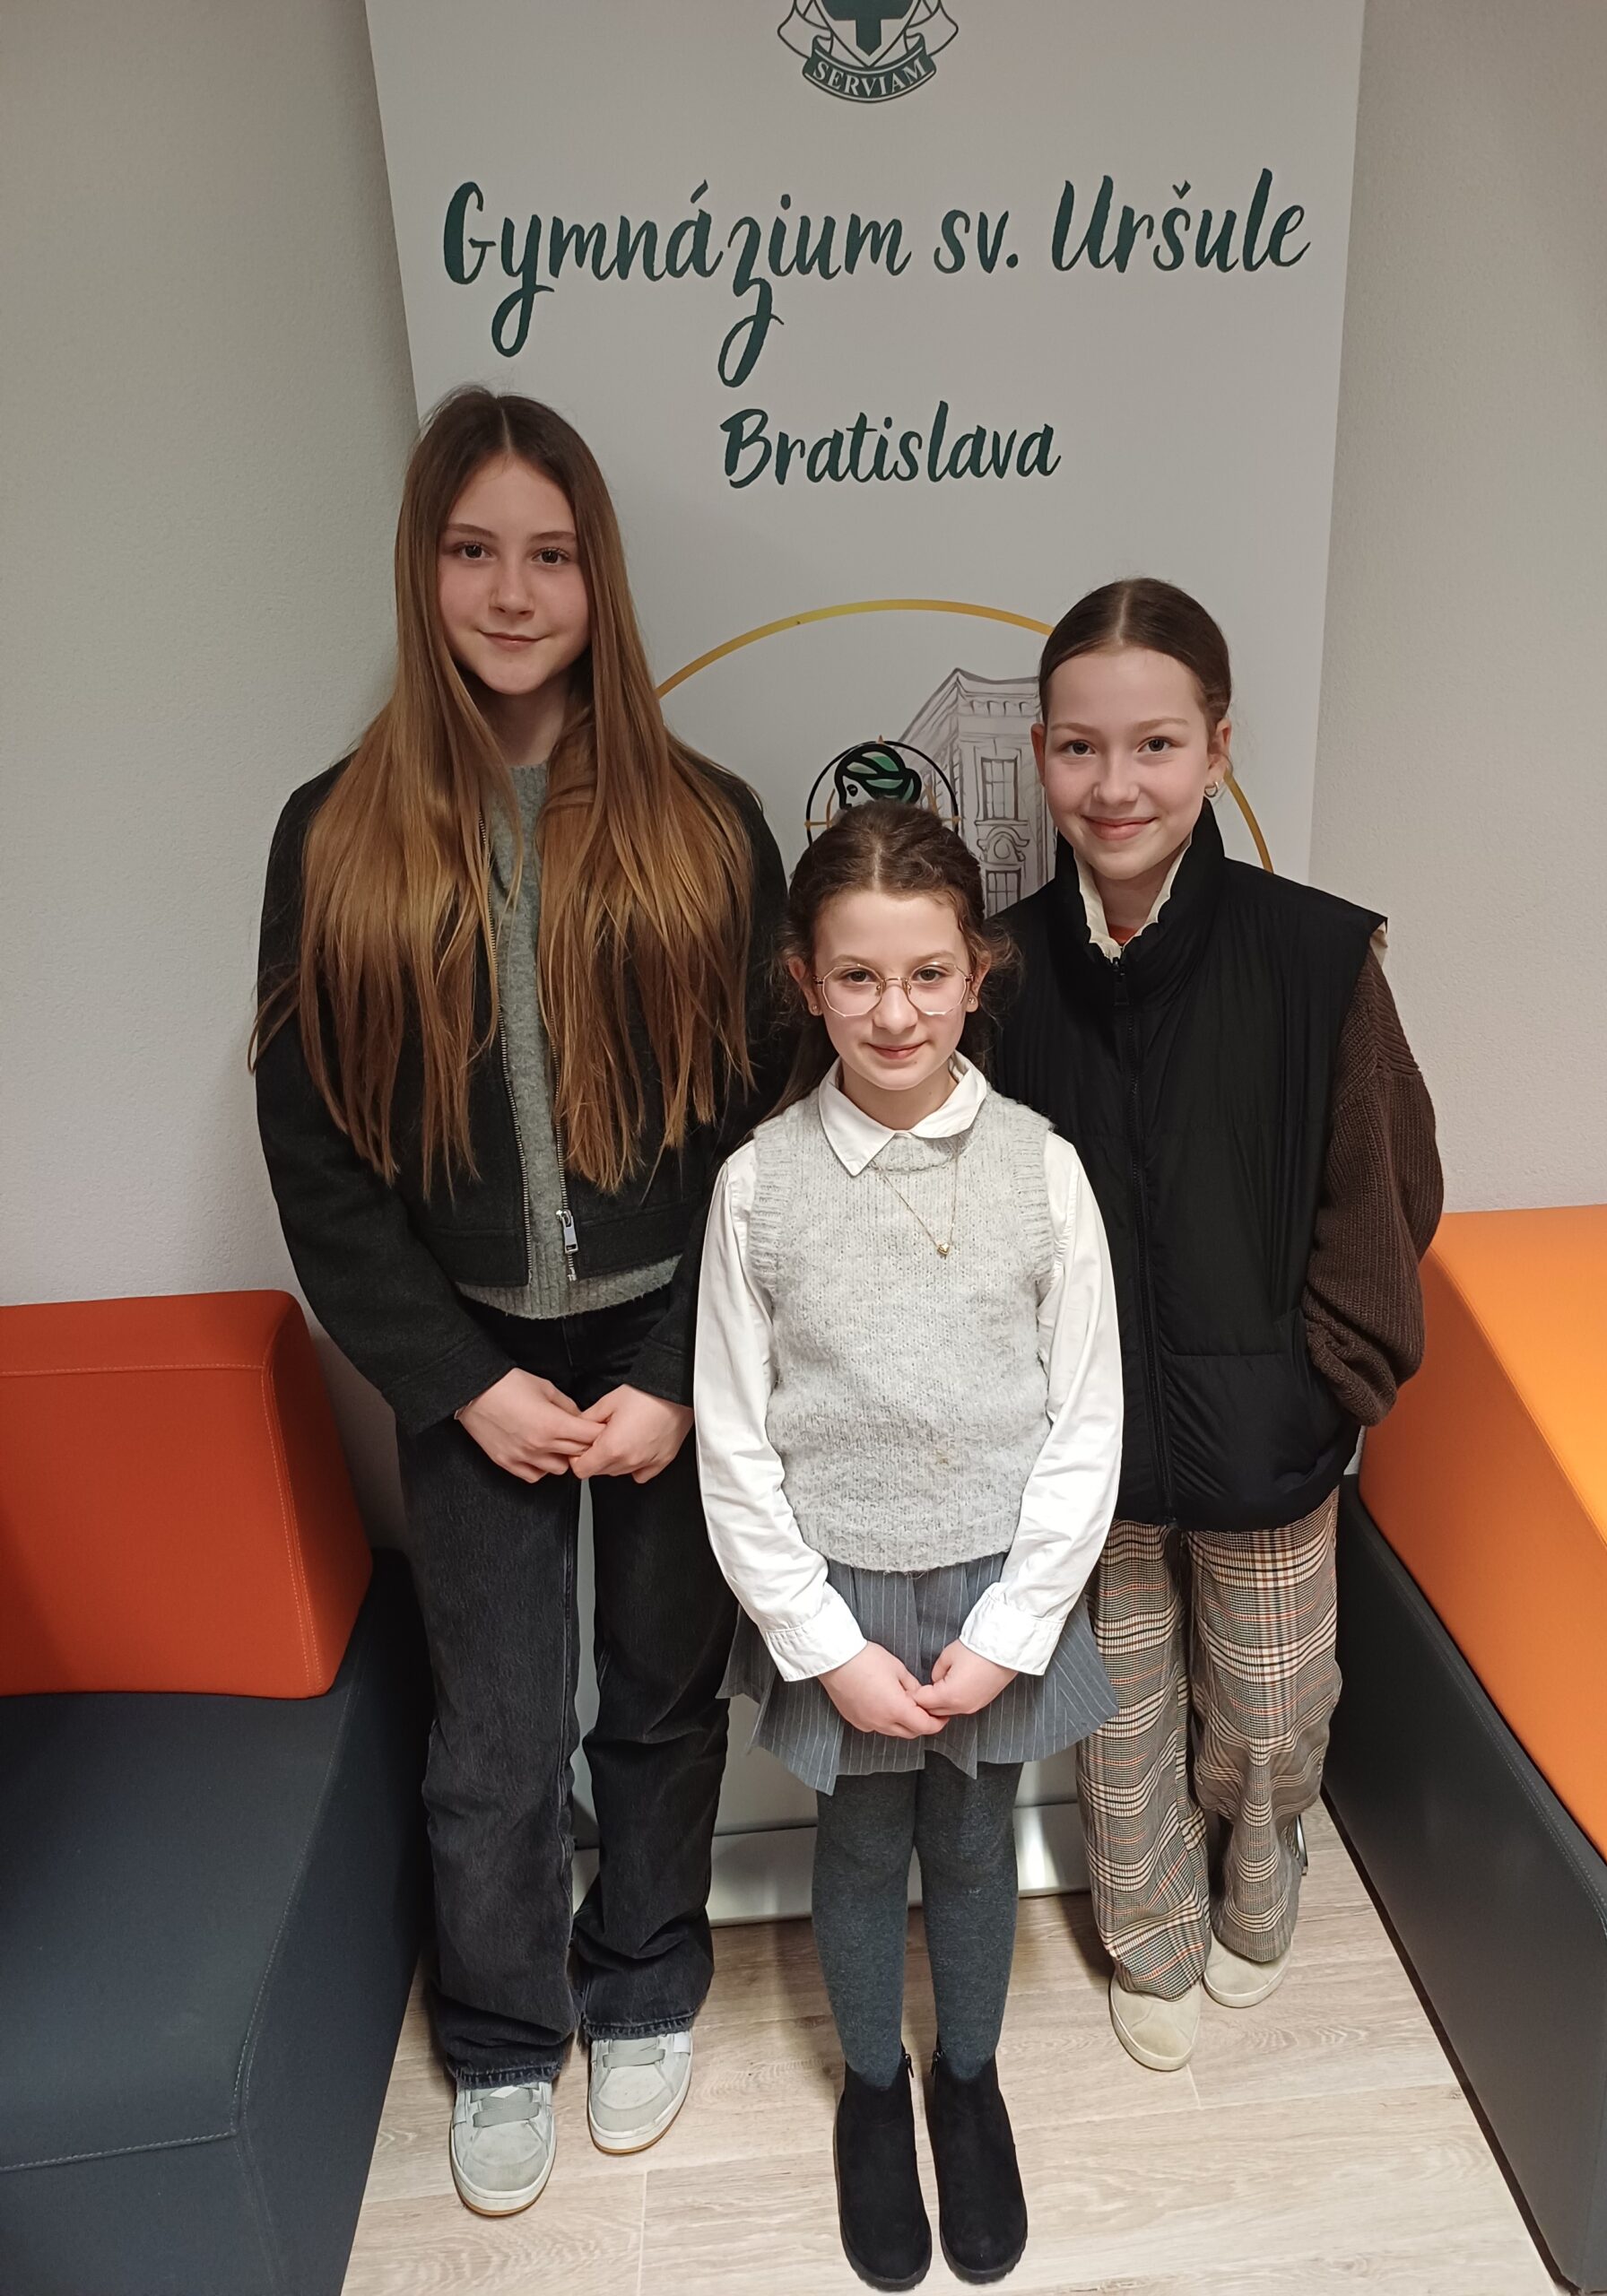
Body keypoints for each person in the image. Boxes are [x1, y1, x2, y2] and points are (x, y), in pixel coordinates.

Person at [252, 387, 786, 2214]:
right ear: (424, 568)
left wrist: (680, 1372)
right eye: (473, 550)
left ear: (596, 576)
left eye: (548, 554)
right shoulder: (332, 835)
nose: (510, 590)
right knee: (492, 1728)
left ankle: (644, 1976)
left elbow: (761, 1126)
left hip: (664, 1339)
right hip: (466, 1352)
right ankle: (499, 2027)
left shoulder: (706, 822)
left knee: (660, 1692)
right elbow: (314, 1146)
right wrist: (457, 1379)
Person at [978, 578, 1443, 2076]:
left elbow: (1388, 1190)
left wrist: (1329, 1385)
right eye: (1079, 747)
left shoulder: (1317, 958)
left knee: (1269, 1711)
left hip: (1269, 1442)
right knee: (1119, 1729)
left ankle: (1265, 1865)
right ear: (1042, 755)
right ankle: (1150, 1937)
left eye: (1156, 745)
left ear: (1218, 749)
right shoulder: (993, 976)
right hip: (1084, 1461)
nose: (1115, 785)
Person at [695, 800, 1122, 2289]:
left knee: (977, 1838)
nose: (895, 1012)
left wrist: (1013, 1628)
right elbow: (735, 1446)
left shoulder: (1043, 1169)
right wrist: (824, 1646)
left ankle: (968, 2081)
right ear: (805, 983)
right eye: (859, 977)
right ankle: (874, 2092)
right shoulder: (758, 1185)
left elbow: (1086, 1421)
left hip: (1002, 1586)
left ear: (977, 973)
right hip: (841, 1595)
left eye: (928, 974)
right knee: (864, 1843)